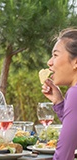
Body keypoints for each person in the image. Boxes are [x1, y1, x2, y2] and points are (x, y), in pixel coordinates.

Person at [41, 28, 77, 160]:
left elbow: (63, 156)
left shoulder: (75, 93)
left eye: (55, 55)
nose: (49, 62)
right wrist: (59, 103)